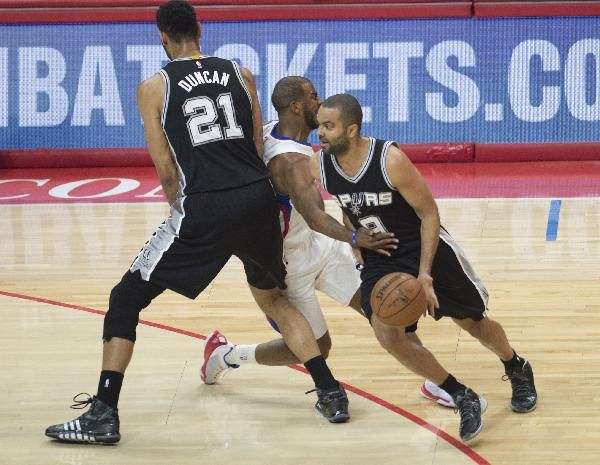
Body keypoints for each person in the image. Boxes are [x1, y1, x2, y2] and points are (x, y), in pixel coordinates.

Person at [44, 3, 364, 444]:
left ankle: (103, 413)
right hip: (256, 201)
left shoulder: (154, 86)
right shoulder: (240, 72)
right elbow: (254, 143)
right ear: (200, 30)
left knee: (125, 299)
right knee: (273, 297)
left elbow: (165, 166)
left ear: (162, 36)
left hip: (206, 205)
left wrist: (183, 212)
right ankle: (329, 391)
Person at [201, 76, 456, 410]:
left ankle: (435, 380)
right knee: (316, 348)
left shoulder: (266, 130)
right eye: (313, 97)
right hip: (289, 265)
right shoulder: (290, 161)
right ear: (296, 106)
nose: (318, 103)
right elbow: (318, 214)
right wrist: (354, 237)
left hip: (320, 246)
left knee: (385, 305)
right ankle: (226, 356)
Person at [308, 93, 537, 443]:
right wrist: (355, 243)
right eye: (320, 125)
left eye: (328, 126)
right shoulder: (322, 165)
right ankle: (461, 394)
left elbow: (429, 213)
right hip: (379, 255)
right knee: (386, 331)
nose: (320, 133)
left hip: (423, 248)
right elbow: (347, 205)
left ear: (351, 129)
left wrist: (425, 274)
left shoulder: (390, 160)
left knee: (472, 322)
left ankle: (515, 365)